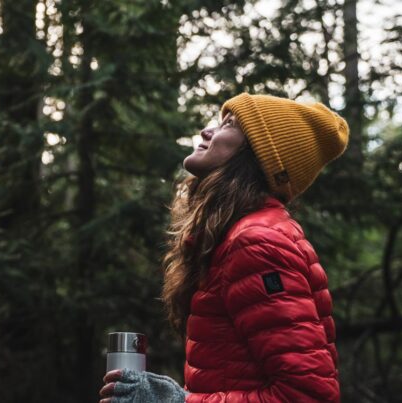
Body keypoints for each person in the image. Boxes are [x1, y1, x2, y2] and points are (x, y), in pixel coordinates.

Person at [99, 93, 348, 403]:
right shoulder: (231, 237)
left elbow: (307, 396)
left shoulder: (257, 242)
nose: (208, 131)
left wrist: (176, 402)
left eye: (229, 125)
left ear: (257, 155)